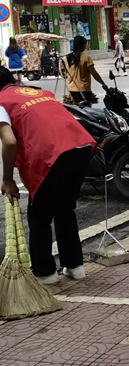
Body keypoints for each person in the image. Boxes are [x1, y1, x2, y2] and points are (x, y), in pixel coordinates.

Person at [0, 66, 96, 285]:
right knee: (64, 209)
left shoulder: (1, 102)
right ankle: (75, 267)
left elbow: (10, 141)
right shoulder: (40, 92)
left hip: (53, 156)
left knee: (40, 216)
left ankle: (46, 274)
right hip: (81, 147)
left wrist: (7, 180)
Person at [65, 36, 108, 104]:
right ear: (83, 45)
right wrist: (103, 84)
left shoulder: (68, 58)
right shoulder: (86, 58)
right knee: (86, 109)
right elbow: (94, 74)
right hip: (84, 90)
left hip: (71, 90)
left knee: (75, 109)